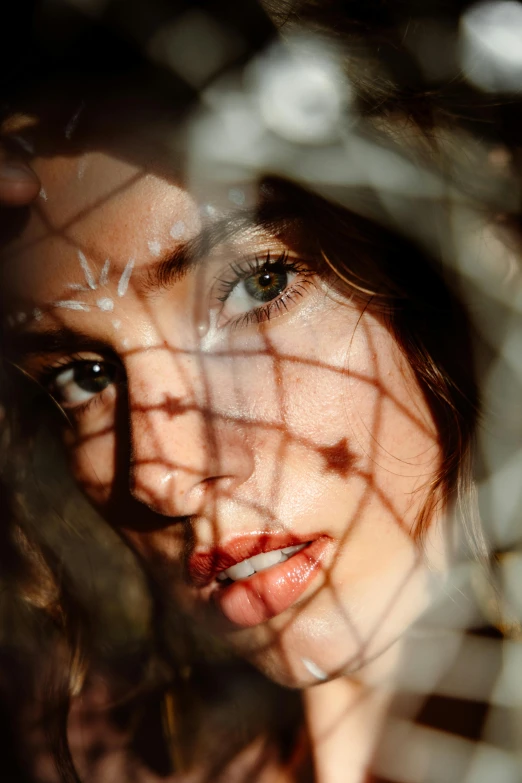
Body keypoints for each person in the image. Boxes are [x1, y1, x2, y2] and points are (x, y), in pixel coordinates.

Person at [1, 1, 520, 782]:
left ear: (473, 249)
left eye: (256, 284)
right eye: (84, 376)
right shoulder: (95, 751)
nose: (162, 473)